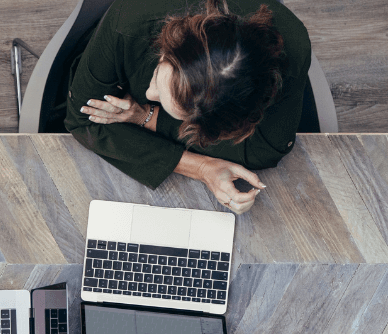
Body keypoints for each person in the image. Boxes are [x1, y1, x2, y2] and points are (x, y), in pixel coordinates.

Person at [65, 0, 311, 214]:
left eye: (160, 99)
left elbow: (264, 151)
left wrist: (146, 117)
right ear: (173, 41)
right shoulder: (129, 19)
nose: (148, 94)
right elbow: (81, 120)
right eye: (159, 75)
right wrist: (201, 167)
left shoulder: (292, 46)